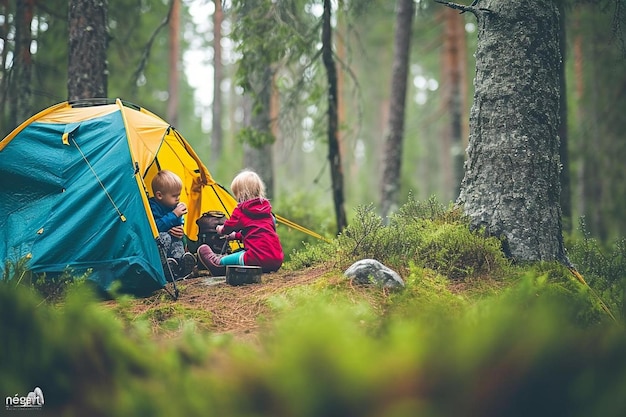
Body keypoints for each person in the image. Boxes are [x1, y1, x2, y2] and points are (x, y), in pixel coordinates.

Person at [197, 169, 284, 275]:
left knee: (238, 257)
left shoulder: (242, 210)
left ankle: (218, 263)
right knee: (245, 253)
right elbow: (257, 233)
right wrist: (236, 236)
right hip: (276, 259)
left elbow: (228, 227)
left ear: (241, 194)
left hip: (256, 258)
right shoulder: (267, 212)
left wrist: (221, 229)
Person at [149, 170, 196, 279]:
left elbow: (178, 224)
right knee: (165, 237)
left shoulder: (174, 206)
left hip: (173, 242)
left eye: (179, 195)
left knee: (177, 241)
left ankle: (180, 264)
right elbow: (156, 227)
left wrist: (180, 229)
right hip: (158, 245)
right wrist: (174, 214)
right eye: (174, 196)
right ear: (160, 195)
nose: (178, 198)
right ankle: (164, 266)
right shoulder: (152, 206)